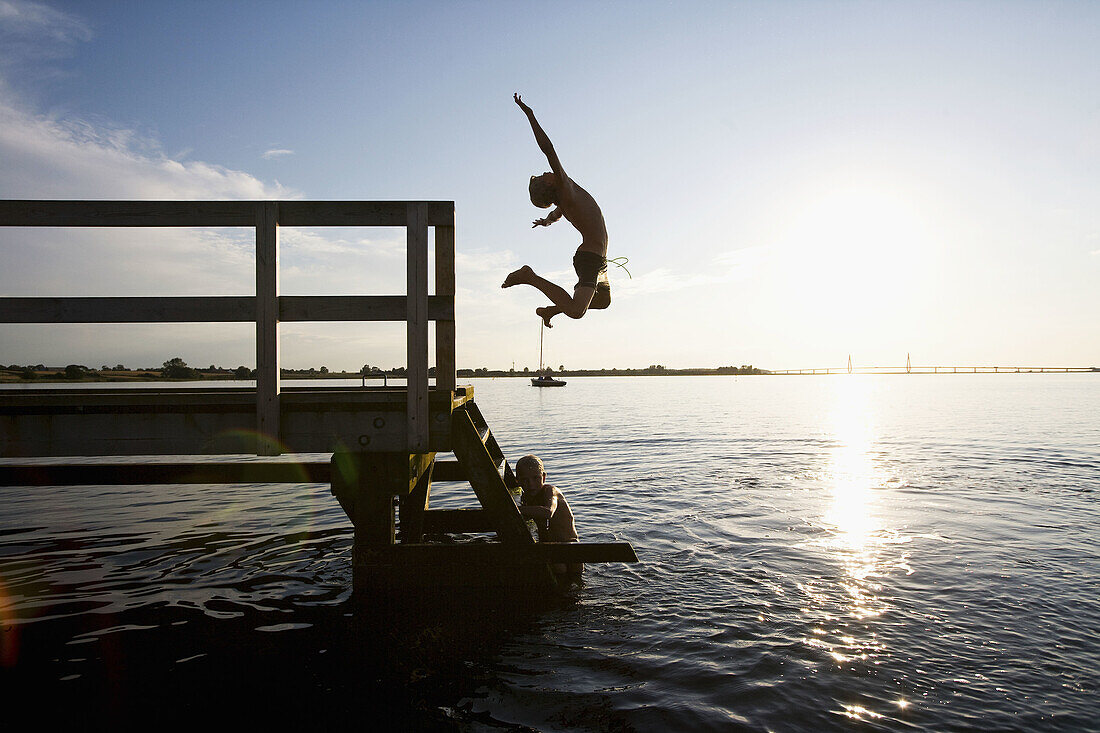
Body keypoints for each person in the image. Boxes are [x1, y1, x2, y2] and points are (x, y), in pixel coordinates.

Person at [502, 93, 610, 328]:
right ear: (550, 183)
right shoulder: (565, 186)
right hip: (590, 256)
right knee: (576, 310)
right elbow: (548, 149)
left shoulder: (565, 202)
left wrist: (547, 221)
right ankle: (529, 277)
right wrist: (530, 115)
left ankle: (550, 310)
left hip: (597, 257)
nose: (546, 172)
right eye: (543, 175)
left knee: (603, 301)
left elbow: (557, 213)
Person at [515, 454, 582, 578]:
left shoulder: (550, 491)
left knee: (570, 578)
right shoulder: (528, 498)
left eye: (536, 478)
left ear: (544, 477)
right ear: (517, 480)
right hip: (552, 548)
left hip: (571, 546)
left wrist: (516, 509)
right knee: (559, 572)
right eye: (525, 480)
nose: (531, 484)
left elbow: (548, 512)